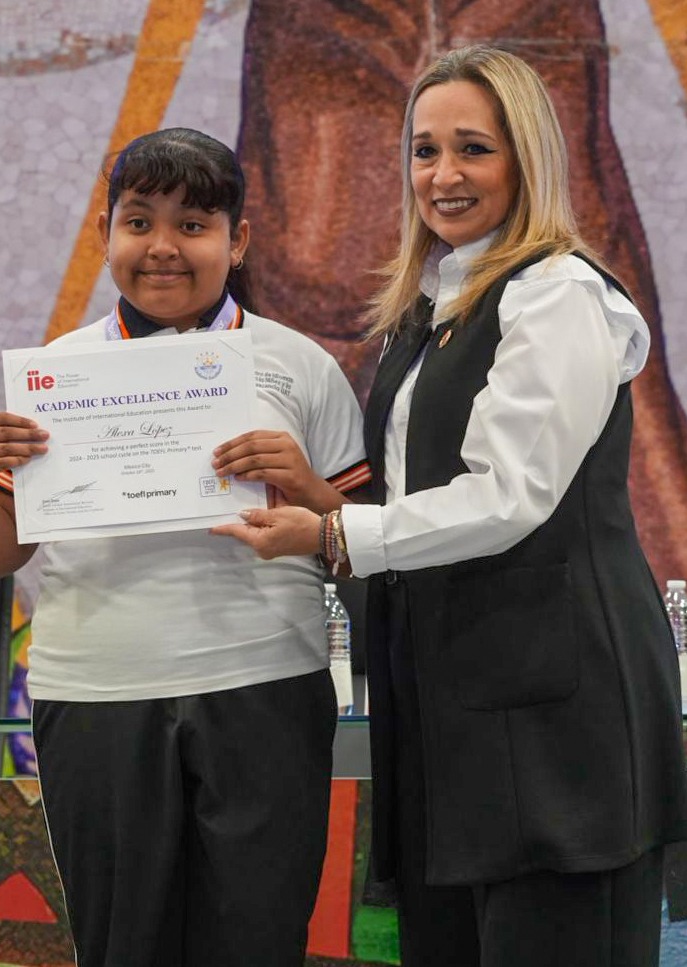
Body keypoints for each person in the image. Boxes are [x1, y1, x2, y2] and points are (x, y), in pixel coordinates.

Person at [214, 46, 687, 967]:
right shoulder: (432, 304)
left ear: (526, 158)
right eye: (423, 151)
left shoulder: (556, 294)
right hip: (450, 718)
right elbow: (425, 497)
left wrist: (334, 531)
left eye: (473, 148)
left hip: (555, 728)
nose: (442, 175)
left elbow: (508, 495)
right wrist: (317, 496)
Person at [0, 128, 369, 967]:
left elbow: (361, 546)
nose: (163, 247)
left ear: (237, 241)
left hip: (263, 686)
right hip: (96, 691)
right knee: (120, 945)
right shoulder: (56, 375)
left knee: (257, 942)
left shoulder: (300, 366)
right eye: (138, 222)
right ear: (104, 232)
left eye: (193, 225)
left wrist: (306, 488)